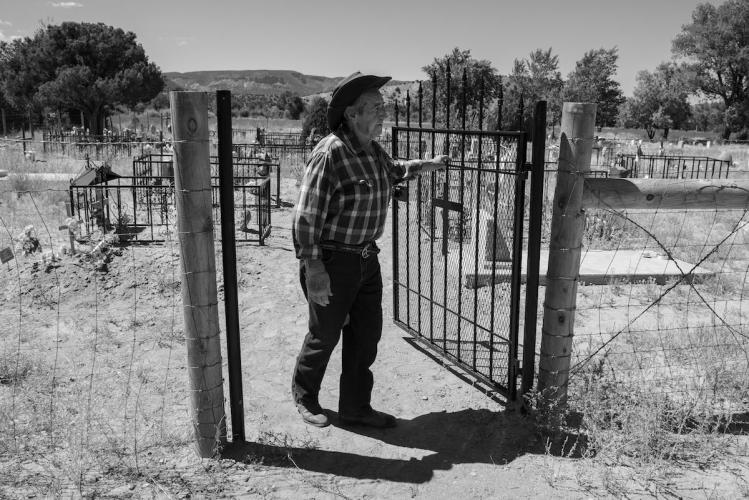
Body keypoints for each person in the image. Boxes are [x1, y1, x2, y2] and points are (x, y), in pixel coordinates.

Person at [291, 72, 448, 428]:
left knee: (365, 336)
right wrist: (314, 268)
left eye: (382, 107)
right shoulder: (330, 154)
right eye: (375, 108)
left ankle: (355, 407)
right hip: (331, 261)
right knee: (325, 334)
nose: (382, 114)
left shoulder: (372, 151)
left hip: (365, 258)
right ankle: (305, 395)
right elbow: (305, 218)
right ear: (352, 114)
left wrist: (428, 165)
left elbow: (394, 171)